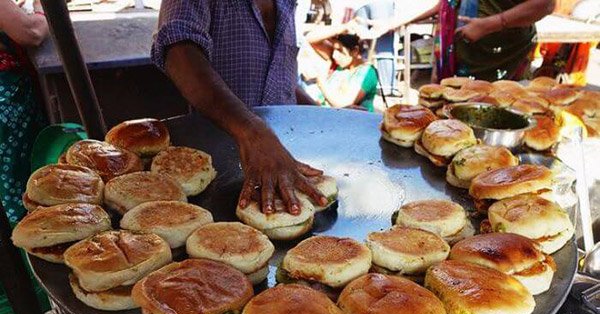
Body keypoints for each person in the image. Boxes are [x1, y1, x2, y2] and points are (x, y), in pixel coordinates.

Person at [152, 0, 328, 216]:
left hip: (285, 167)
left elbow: (280, 78)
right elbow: (179, 53)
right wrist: (251, 132)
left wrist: (328, 118)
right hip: (215, 179)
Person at [370, 0, 554, 81]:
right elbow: (444, 3)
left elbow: (545, 4)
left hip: (497, 59)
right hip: (454, 56)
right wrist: (392, 23)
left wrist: (490, 24)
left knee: (488, 131)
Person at [0, 0, 48, 225]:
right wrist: (42, 9)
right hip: (6, 104)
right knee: (17, 183)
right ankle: (24, 242)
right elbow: (31, 33)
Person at [303, 24, 378, 112]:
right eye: (334, 50)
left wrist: (321, 82)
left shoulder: (367, 72)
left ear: (355, 51)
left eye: (339, 51)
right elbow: (309, 39)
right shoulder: (341, 62)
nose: (335, 55)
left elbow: (343, 105)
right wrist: (340, 28)